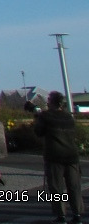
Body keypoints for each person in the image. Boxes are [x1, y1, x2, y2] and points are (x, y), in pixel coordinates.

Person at [34, 91, 84, 224]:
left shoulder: (45, 116)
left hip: (55, 155)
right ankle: (77, 214)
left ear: (51, 102)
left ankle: (61, 215)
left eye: (48, 100)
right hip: (72, 155)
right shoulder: (68, 117)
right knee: (74, 186)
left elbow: (39, 132)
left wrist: (37, 118)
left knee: (56, 187)